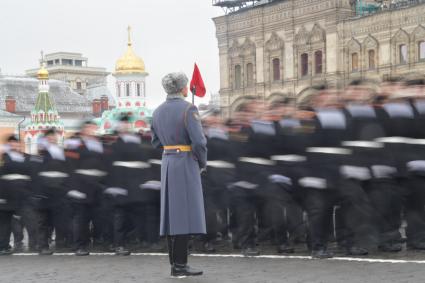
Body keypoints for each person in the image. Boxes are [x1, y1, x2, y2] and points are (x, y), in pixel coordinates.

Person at [151, 72, 207, 278]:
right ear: (183, 89)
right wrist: (201, 162)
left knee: (172, 216)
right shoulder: (188, 108)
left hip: (167, 162)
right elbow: (199, 142)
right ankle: (180, 266)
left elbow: (155, 141)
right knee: (182, 215)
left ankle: (175, 264)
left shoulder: (157, 111)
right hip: (184, 162)